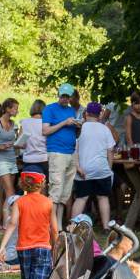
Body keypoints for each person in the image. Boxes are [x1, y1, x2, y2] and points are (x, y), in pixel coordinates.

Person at [11, 171, 54, 279]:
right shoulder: (48, 202)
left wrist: (3, 245)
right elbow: (55, 229)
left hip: (23, 248)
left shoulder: (19, 202)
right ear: (41, 184)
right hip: (43, 247)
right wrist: (55, 247)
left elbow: (12, 223)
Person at [71, 102, 118, 229]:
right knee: (103, 198)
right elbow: (110, 150)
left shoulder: (80, 128)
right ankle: (106, 227)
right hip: (101, 169)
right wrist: (109, 167)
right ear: (100, 114)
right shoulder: (105, 129)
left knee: (81, 198)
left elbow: (74, 149)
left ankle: (72, 226)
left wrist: (77, 166)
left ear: (86, 113)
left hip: (83, 169)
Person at [41, 84, 82, 222]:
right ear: (58, 95)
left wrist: (78, 127)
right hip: (57, 152)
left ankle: (58, 223)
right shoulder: (49, 109)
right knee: (56, 188)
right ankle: (52, 224)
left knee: (66, 191)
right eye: (63, 96)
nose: (65, 99)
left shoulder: (72, 111)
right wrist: (64, 123)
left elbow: (76, 135)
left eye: (67, 96)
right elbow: (45, 131)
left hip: (71, 152)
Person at [0, 98, 21, 224]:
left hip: (12, 159)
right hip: (1, 161)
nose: (17, 111)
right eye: (15, 108)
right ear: (7, 109)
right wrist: (0, 147)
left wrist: (19, 144)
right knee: (10, 192)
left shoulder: (13, 124)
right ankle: (9, 224)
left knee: (4, 193)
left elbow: (14, 143)